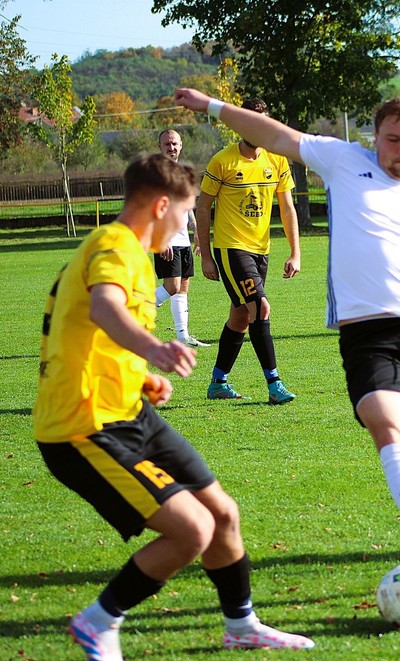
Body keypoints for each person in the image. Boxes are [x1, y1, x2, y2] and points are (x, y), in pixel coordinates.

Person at [174, 88, 400, 594]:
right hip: (367, 333)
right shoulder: (342, 160)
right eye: (394, 139)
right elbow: (274, 132)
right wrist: (211, 106)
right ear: (375, 138)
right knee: (389, 428)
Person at [32, 154, 315, 660]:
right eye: (184, 214)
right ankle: (97, 622)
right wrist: (154, 350)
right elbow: (105, 309)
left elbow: (89, 335)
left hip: (127, 411)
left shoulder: (136, 256)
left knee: (222, 514)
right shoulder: (115, 245)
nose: (187, 224)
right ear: (161, 205)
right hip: (82, 426)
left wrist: (142, 378)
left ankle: (241, 624)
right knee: (193, 530)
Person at [195, 98, 301, 404]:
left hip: (261, 250)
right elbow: (204, 208)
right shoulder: (222, 161)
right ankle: (275, 384)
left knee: (241, 317)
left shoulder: (277, 160)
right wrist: (205, 256)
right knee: (261, 308)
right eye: (250, 121)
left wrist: (296, 252)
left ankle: (218, 382)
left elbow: (288, 207)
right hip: (231, 248)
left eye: (261, 121)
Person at [153, 129, 210, 348]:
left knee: (183, 286)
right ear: (160, 147)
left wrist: (197, 232)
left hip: (183, 240)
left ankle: (183, 336)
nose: (171, 147)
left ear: (181, 145)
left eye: (175, 143)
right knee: (172, 286)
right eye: (167, 144)